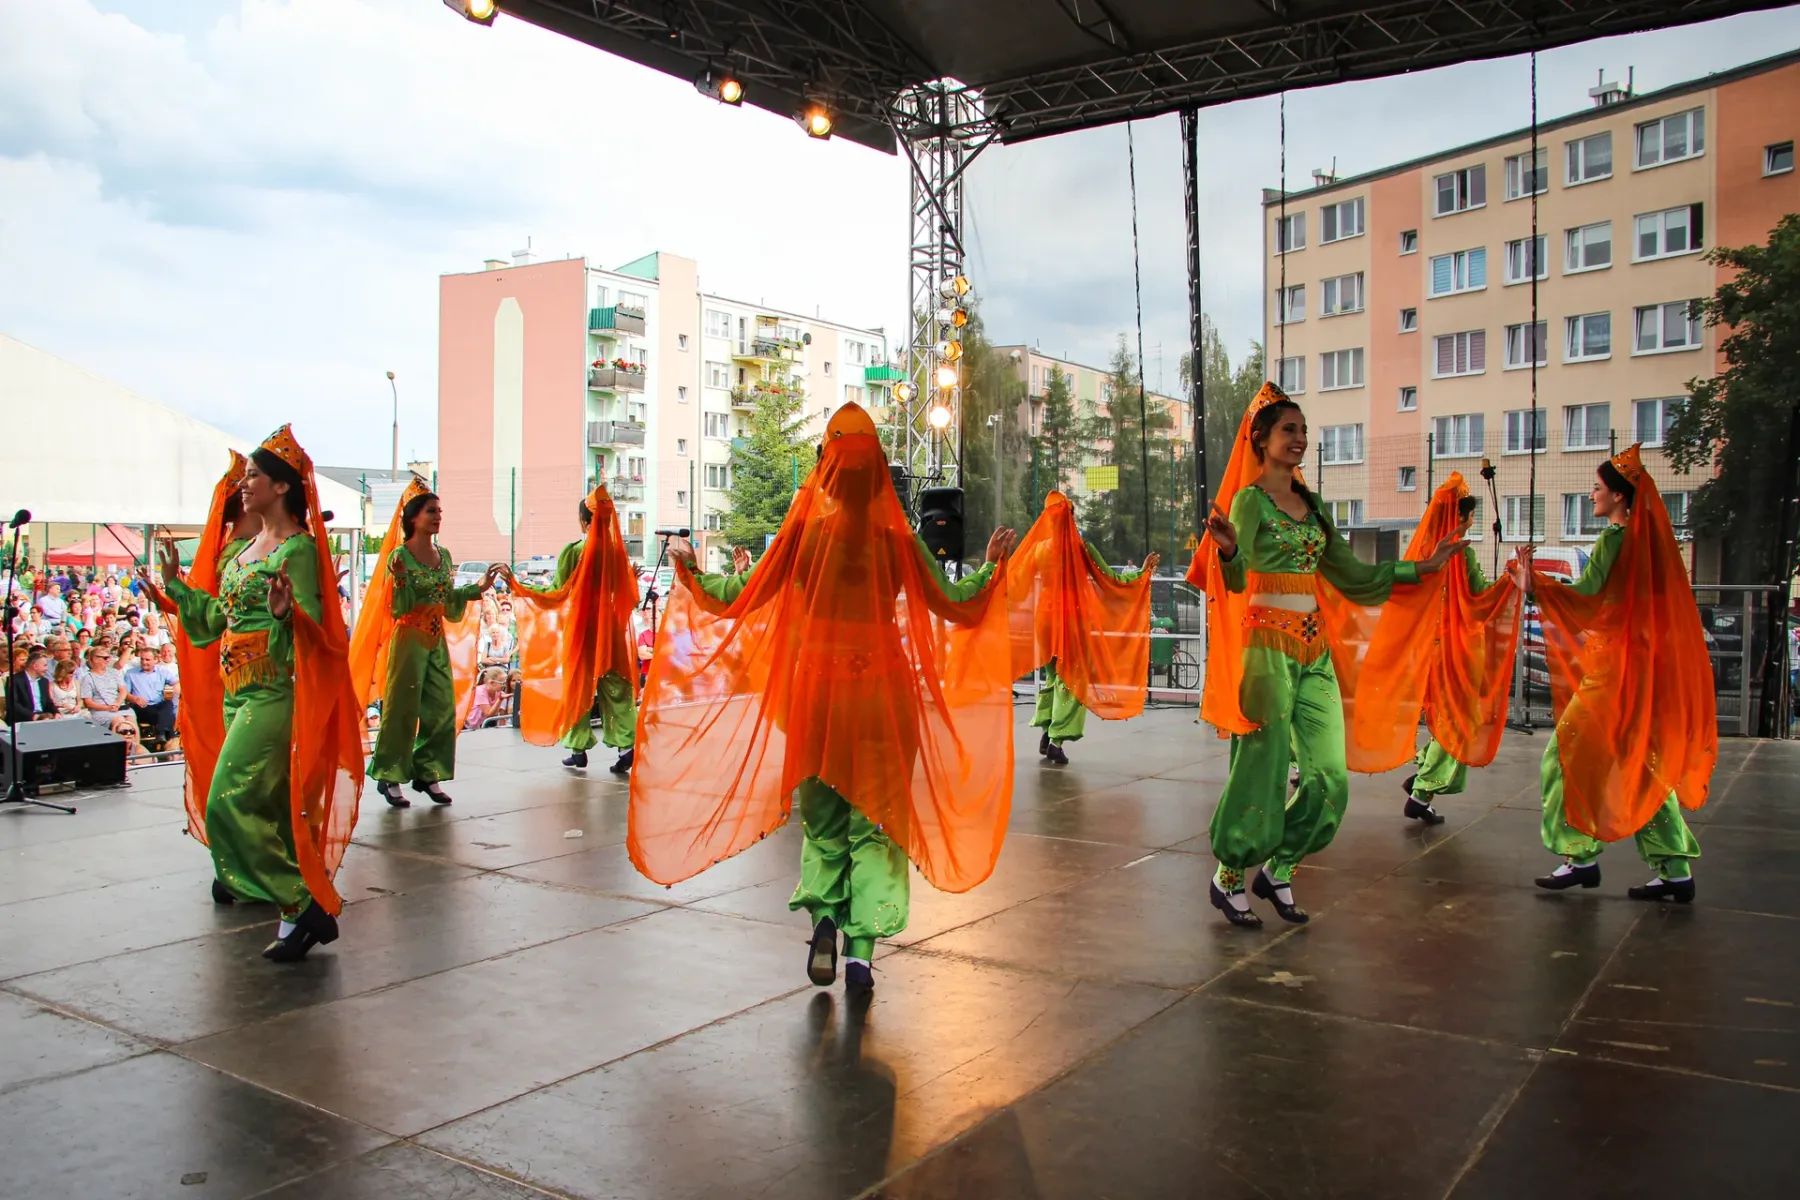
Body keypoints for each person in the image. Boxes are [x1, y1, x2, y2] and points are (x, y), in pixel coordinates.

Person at [635, 402, 1017, 995]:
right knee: (878, 823)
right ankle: (861, 954)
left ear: (826, 473)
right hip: (881, 695)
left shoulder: (803, 536)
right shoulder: (897, 540)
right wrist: (991, 569)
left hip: (815, 691)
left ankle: (824, 922)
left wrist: (692, 573)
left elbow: (740, 593)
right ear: (879, 475)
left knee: (823, 820)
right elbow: (953, 601)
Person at [1194, 385, 1464, 928]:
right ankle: (1229, 875)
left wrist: (1423, 566)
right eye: (1288, 429)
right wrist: (1228, 549)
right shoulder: (1249, 501)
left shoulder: (1313, 507)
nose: (1299, 438)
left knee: (1329, 780)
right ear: (1261, 439)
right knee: (1263, 769)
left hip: (1314, 651)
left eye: (1303, 430)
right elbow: (1237, 579)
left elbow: (1353, 575)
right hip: (1266, 649)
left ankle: (1279, 868)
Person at [162, 425, 364, 962]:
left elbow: (319, 631)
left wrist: (286, 614)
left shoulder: (299, 550)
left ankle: (303, 901)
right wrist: (176, 585)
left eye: (253, 475)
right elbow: (216, 620)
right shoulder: (244, 552)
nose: (244, 484)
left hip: (274, 694)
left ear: (281, 486)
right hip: (236, 691)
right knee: (269, 807)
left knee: (227, 801)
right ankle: (293, 916)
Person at [1531, 446, 1714, 902]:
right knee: (1644, 767)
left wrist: (1535, 585)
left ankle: (1580, 857)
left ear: (1617, 496)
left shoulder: (1614, 539)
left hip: (1614, 672)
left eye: (1596, 488)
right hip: (1649, 670)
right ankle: (1675, 870)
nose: (1591, 495)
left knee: (1564, 755)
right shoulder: (1652, 543)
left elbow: (1587, 596)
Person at [1338, 478, 1524, 827]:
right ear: (1461, 518)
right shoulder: (1459, 553)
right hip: (1457, 651)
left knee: (1447, 721)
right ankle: (1423, 789)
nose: (1471, 523)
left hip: (1427, 649)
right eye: (1470, 517)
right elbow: (1480, 600)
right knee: (1460, 724)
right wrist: (1511, 578)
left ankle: (1423, 780)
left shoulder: (1422, 553)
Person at [349, 485, 496, 807]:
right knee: (402, 710)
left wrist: (479, 587)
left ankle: (427, 772)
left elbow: (448, 600)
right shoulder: (400, 557)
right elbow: (398, 608)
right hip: (409, 641)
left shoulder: (444, 555)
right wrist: (401, 579)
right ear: (413, 518)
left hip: (435, 639)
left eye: (440, 511)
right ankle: (389, 776)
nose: (438, 516)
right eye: (431, 511)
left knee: (442, 709)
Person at [1008, 493, 1157, 767]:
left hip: (1045, 619)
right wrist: (1142, 573)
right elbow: (1111, 579)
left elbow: (1015, 582)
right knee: (1072, 678)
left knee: (1053, 675)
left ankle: (1047, 731)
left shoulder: (1038, 549)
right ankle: (1056, 741)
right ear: (1070, 517)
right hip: (1072, 620)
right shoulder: (1082, 549)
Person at [508, 493, 639, 774]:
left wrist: (522, 589)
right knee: (616, 686)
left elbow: (558, 591)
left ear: (583, 522)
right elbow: (628, 596)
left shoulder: (575, 551)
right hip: (611, 629)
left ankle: (578, 749)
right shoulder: (617, 553)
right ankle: (626, 746)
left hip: (582, 628)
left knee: (578, 687)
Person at [78, 646, 140, 750]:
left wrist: (118, 703)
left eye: (109, 657)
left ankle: (136, 750)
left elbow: (123, 690)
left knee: (131, 720)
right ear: (95, 659)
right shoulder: (87, 678)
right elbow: (88, 702)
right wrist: (108, 708)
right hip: (101, 710)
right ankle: (120, 750)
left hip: (118, 706)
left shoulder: (114, 672)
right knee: (119, 721)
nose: (108, 660)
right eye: (105, 658)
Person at [123, 644, 180, 749]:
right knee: (167, 715)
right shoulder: (131, 673)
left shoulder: (162, 672)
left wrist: (175, 687)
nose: (144, 662)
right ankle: (168, 737)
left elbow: (176, 682)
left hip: (158, 706)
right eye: (142, 659)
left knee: (168, 704)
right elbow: (125, 693)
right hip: (141, 706)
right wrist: (135, 698)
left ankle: (161, 735)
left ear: (155, 660)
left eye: (147, 660)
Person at [6, 649, 55, 724]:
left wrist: (56, 712)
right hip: (23, 718)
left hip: (43, 717)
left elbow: (48, 702)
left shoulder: (44, 681)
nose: (47, 669)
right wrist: (33, 716)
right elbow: (13, 704)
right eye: (45, 665)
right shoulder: (14, 680)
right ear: (35, 666)